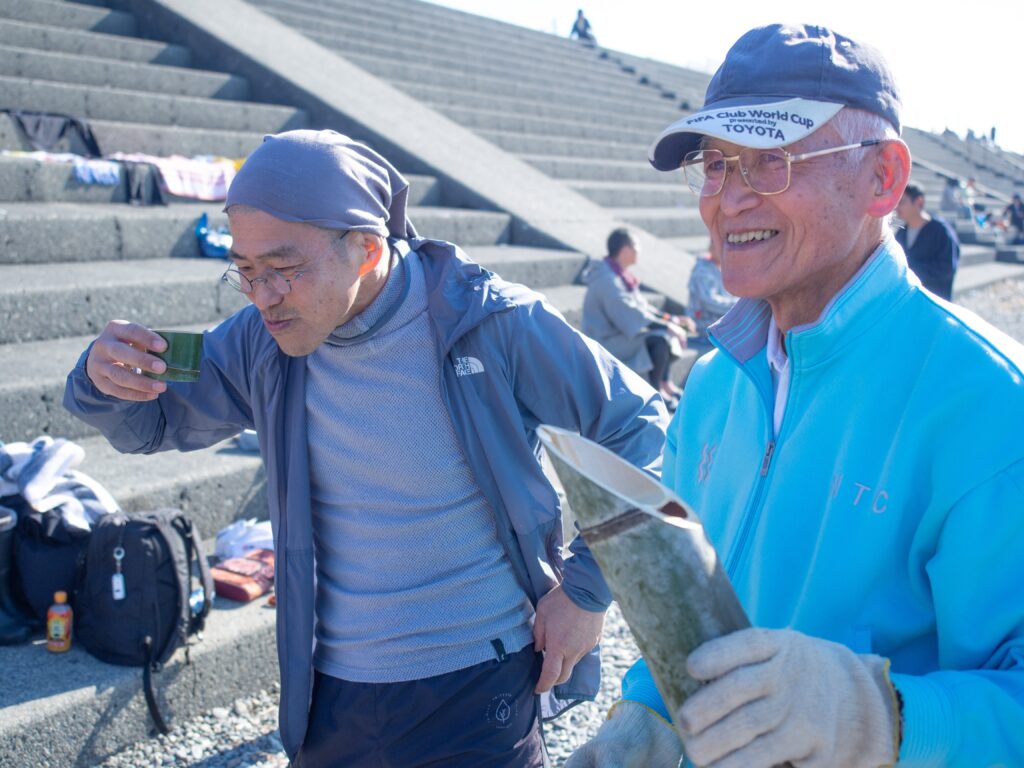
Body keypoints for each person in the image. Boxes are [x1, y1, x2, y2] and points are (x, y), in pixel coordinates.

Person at [63, 130, 670, 767]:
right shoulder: (262, 340)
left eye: (284, 270)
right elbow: (150, 422)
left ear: (367, 246)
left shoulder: (489, 321)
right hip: (329, 694)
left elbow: (642, 427)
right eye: (245, 271)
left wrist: (586, 591)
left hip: (478, 681)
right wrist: (102, 378)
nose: (263, 296)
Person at [568, 23, 1024, 768]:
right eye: (716, 165)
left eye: (770, 161)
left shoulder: (995, 407)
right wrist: (643, 725)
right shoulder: (711, 387)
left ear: (883, 178)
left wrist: (878, 717)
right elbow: (688, 631)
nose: (728, 200)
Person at [582, 227, 694, 407]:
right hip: (604, 341)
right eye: (636, 247)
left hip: (618, 334)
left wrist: (669, 319)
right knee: (659, 340)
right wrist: (667, 327)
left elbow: (642, 307)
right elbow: (630, 313)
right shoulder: (607, 280)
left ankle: (665, 384)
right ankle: (656, 391)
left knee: (665, 335)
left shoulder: (617, 273)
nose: (639, 251)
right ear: (625, 250)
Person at [895, 183, 960, 299]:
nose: (896, 207)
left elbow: (947, 270)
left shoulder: (941, 231)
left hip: (934, 301)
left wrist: (910, 269)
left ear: (919, 201)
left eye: (901, 202)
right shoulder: (901, 233)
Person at [685, 241, 737, 351]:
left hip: (720, 320)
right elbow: (710, 302)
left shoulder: (719, 267)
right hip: (704, 322)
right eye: (721, 248)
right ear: (712, 249)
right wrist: (738, 304)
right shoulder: (703, 270)